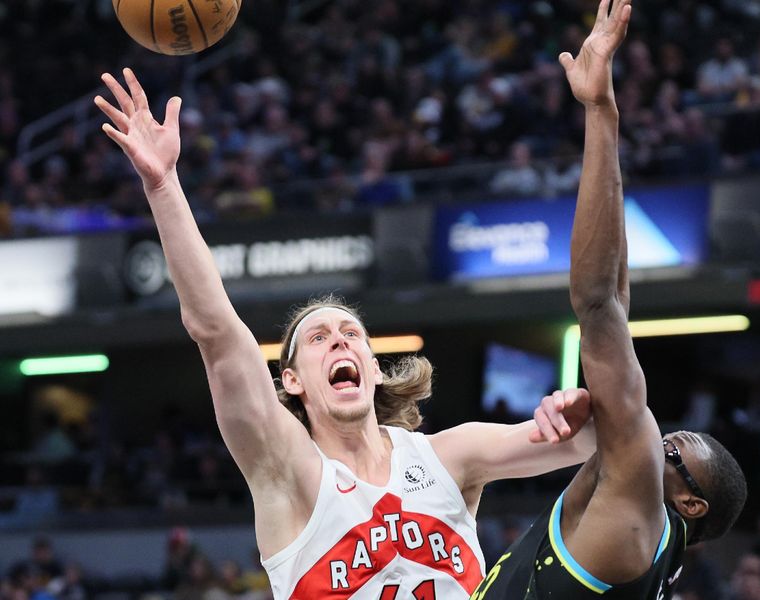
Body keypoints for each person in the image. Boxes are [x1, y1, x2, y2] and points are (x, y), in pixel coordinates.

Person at [94, 68, 598, 598]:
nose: (339, 341)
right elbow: (215, 331)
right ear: (291, 381)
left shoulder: (448, 456)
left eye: (352, 334)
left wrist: (579, 414)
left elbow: (591, 444)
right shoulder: (286, 469)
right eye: (318, 339)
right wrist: (163, 185)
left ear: (375, 368)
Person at [468, 0, 748, 598]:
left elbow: (597, 304)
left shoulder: (633, 523)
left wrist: (600, 112)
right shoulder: (638, 534)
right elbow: (613, 302)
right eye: (665, 436)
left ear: (689, 504)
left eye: (668, 451)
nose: (650, 439)